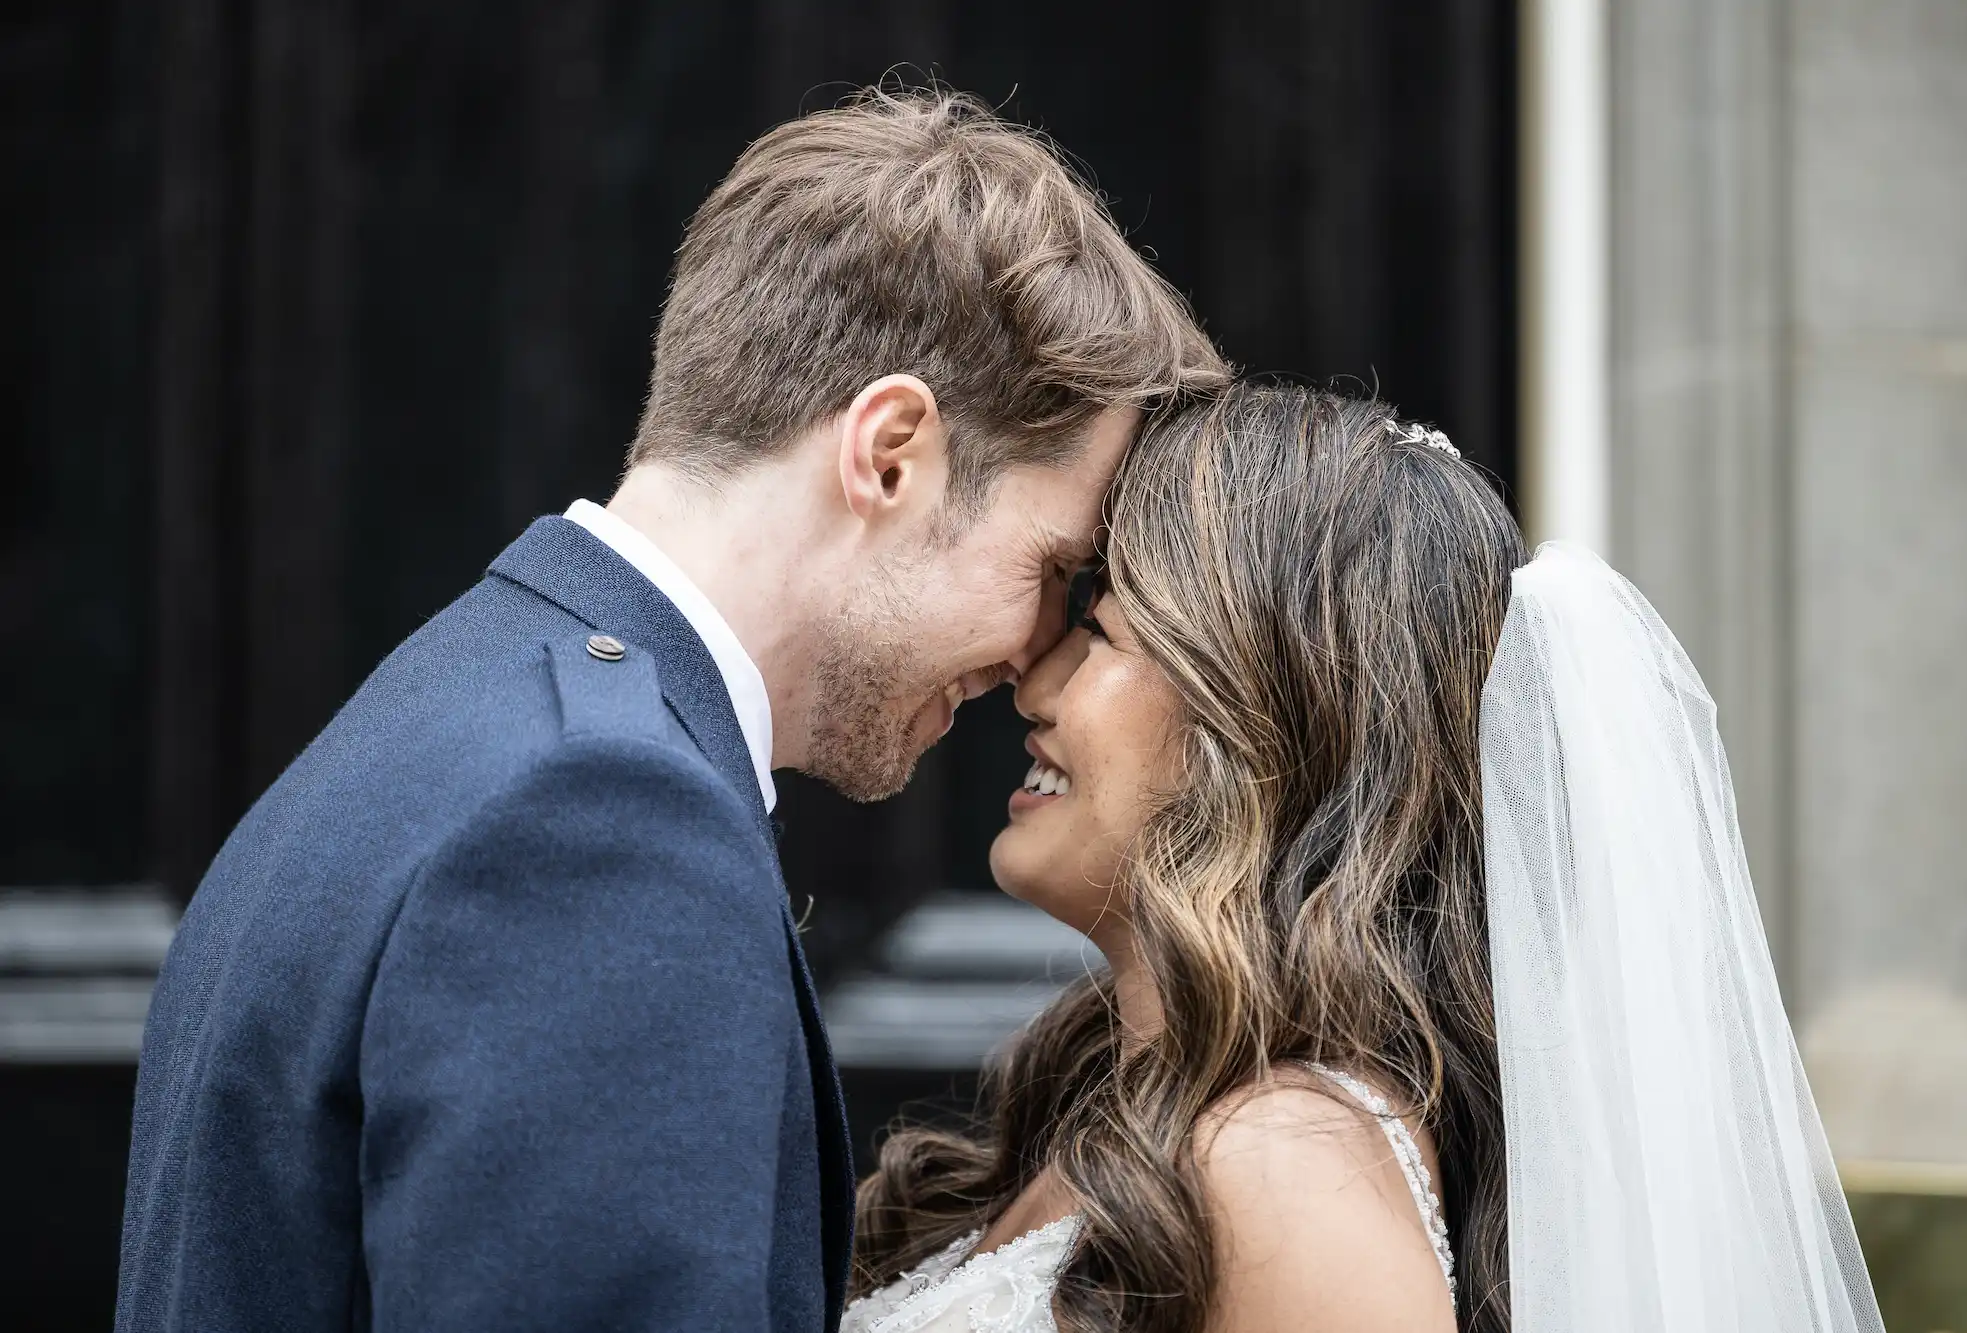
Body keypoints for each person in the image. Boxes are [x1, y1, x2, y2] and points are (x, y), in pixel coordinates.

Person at [116, 88, 1226, 1333]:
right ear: (891, 452)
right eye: (1049, 565)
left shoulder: (461, 705)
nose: (1035, 655)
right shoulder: (600, 826)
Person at [843, 382, 1883, 1333]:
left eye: (1106, 634)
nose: (1034, 684)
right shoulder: (1105, 1101)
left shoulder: (1286, 1165)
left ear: (1265, 729)